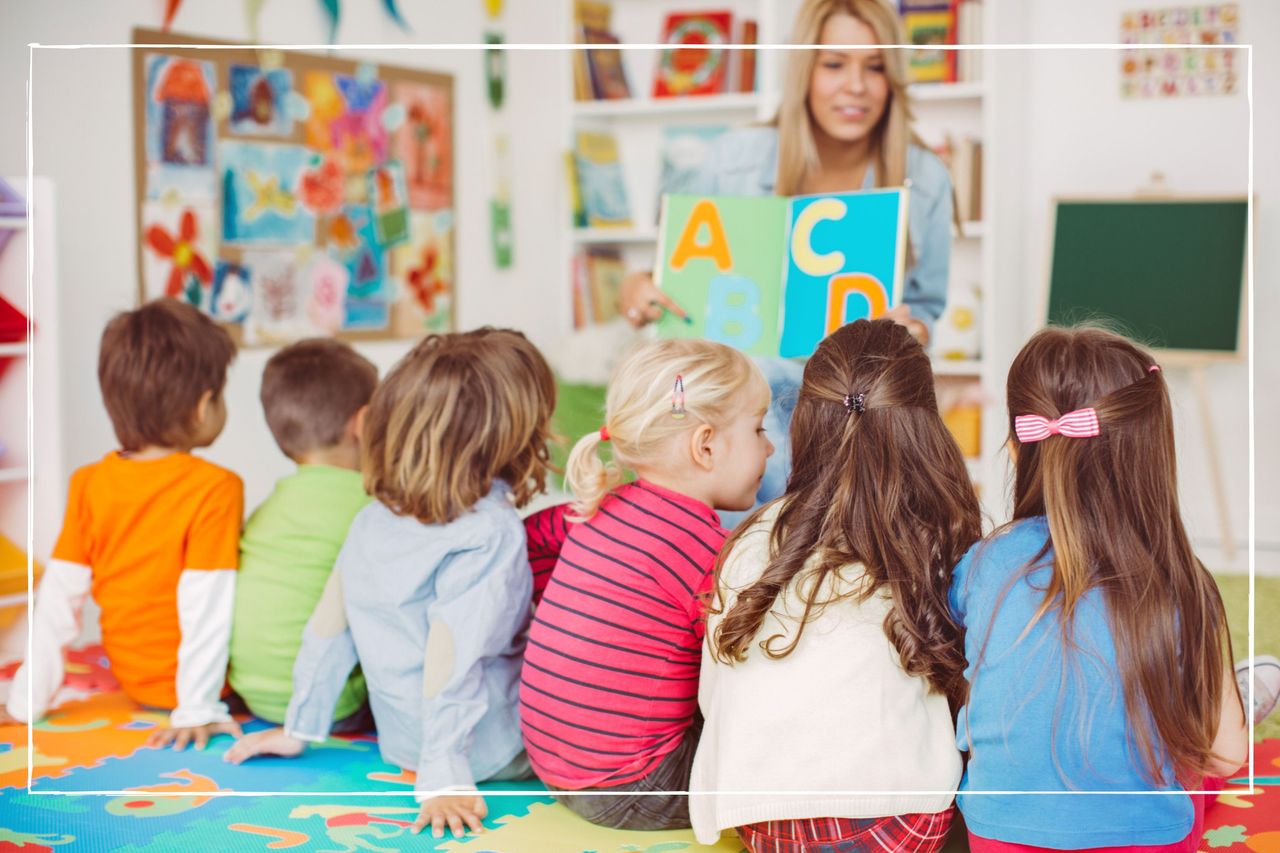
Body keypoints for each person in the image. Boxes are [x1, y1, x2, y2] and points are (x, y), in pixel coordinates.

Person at [622, 0, 956, 515]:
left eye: (875, 67)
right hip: (725, 444)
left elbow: (925, 307)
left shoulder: (925, 178)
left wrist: (912, 334)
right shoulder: (733, 160)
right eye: (834, 64)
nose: (856, 86)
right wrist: (640, 289)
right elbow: (676, 275)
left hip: (853, 440)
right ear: (804, 69)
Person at [224, 328, 557, 841]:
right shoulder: (490, 532)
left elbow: (330, 624)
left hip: (401, 740)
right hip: (481, 751)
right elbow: (453, 653)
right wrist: (444, 774)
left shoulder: (373, 518)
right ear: (512, 436)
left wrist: (301, 725)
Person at [951, 326, 1249, 851]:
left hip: (1000, 839)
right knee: (1195, 751)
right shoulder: (1183, 583)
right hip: (1151, 839)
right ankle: (1246, 693)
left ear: (1019, 448)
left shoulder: (981, 566)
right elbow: (1226, 757)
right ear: (1152, 454)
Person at [690, 319, 978, 851]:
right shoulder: (934, 535)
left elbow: (716, 696)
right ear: (925, 427)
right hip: (897, 823)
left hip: (765, 823)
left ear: (805, 421)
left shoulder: (753, 535)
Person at [520, 338, 773, 830]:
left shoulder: (591, 509)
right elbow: (751, 665)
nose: (770, 446)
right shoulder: (705, 552)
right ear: (705, 446)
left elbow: (527, 542)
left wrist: (578, 609)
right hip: (634, 787)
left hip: (552, 764)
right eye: (759, 430)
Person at [3, 298, 243, 751]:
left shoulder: (90, 484)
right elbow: (206, 604)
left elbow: (59, 597)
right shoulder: (216, 487)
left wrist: (26, 700)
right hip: (202, 690)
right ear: (203, 406)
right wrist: (195, 707)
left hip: (133, 680)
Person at [227, 339, 378, 727]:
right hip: (334, 705)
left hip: (254, 692)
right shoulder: (372, 507)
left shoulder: (268, 509)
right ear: (363, 424)